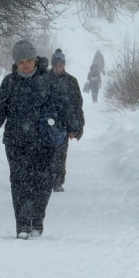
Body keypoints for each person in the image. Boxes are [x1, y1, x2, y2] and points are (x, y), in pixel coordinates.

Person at [0, 39, 62, 240]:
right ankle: (22, 224)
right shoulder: (9, 82)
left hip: (44, 141)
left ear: (35, 59)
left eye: (29, 60)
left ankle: (37, 220)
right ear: (15, 63)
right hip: (16, 141)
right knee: (19, 183)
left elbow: (62, 108)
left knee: (42, 182)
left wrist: (70, 127)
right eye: (21, 61)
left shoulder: (48, 79)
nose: (25, 64)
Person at [48, 49, 84, 192]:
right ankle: (45, 180)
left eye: (60, 65)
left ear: (64, 65)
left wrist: (76, 128)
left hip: (63, 125)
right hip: (46, 125)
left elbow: (77, 106)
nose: (58, 68)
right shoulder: (45, 79)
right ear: (52, 65)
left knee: (60, 154)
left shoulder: (71, 82)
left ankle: (57, 182)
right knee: (45, 154)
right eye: (55, 65)